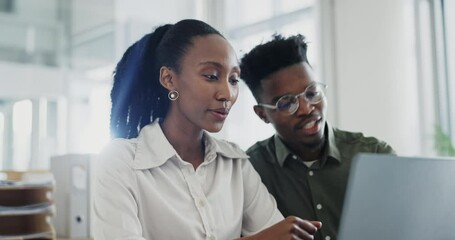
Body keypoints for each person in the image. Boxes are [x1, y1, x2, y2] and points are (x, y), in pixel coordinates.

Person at [94, 19, 322, 240]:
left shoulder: (235, 163)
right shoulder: (121, 161)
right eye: (211, 76)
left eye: (233, 80)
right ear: (169, 79)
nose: (227, 94)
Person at [239, 34, 395, 240]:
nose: (306, 108)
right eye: (286, 103)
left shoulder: (375, 155)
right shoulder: (249, 172)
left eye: (312, 92)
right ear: (262, 114)